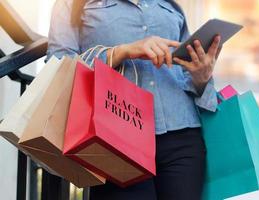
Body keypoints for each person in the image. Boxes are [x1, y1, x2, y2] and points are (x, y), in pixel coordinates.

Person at [47, 0, 222, 199]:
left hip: (182, 136)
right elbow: (59, 65)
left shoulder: (170, 5)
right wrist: (124, 51)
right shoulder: (71, 4)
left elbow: (185, 73)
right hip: (116, 138)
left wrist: (202, 76)